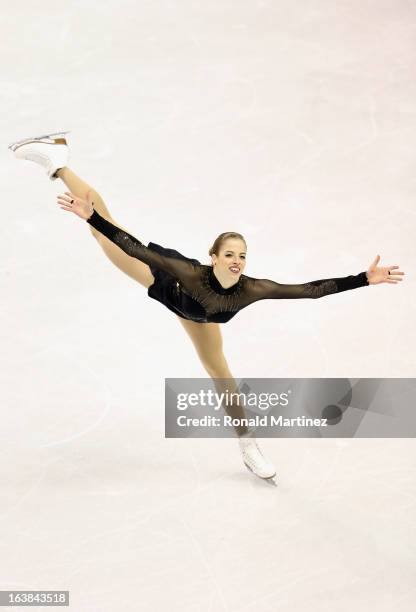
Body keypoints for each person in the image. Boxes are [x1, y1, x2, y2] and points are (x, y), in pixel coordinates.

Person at [8, 132, 405, 485]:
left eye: (242, 255)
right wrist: (91, 216)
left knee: (220, 374)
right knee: (105, 232)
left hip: (198, 314)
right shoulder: (191, 273)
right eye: (229, 253)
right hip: (164, 283)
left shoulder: (253, 289)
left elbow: (310, 290)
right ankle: (58, 161)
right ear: (213, 257)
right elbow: (134, 247)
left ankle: (248, 446)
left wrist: (363, 279)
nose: (237, 260)